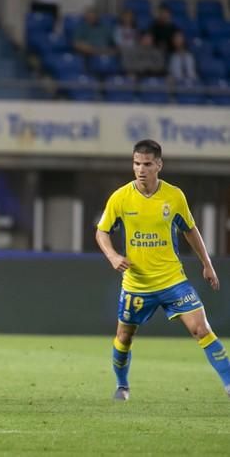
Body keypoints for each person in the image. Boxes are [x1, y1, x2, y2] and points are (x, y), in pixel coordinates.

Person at [96, 139, 230, 401]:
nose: (141, 169)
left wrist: (207, 264)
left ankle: (228, 383)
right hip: (137, 284)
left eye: (147, 164)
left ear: (159, 165)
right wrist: (112, 256)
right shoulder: (121, 197)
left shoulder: (174, 196)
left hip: (172, 280)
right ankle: (122, 386)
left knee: (201, 329)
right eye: (136, 163)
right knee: (124, 336)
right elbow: (102, 231)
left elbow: (190, 230)